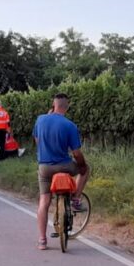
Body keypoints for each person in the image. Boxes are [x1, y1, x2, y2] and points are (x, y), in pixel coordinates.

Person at [33, 93, 88, 250]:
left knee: (44, 202)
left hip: (44, 167)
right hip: (64, 165)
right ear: (67, 107)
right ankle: (76, 199)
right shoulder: (70, 125)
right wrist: (82, 165)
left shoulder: (40, 119)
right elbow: (76, 153)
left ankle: (42, 241)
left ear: (53, 104)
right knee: (85, 170)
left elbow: (37, 141)